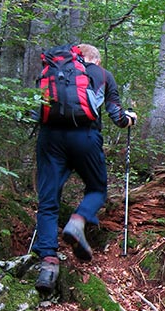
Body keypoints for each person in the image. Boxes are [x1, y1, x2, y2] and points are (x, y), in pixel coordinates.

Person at [33, 43, 137, 294]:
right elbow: (117, 116)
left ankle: (48, 263)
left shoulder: (53, 72)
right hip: (84, 137)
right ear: (96, 59)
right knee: (97, 188)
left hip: (49, 138)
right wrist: (130, 119)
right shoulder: (102, 75)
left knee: (48, 199)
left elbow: (37, 108)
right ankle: (77, 221)